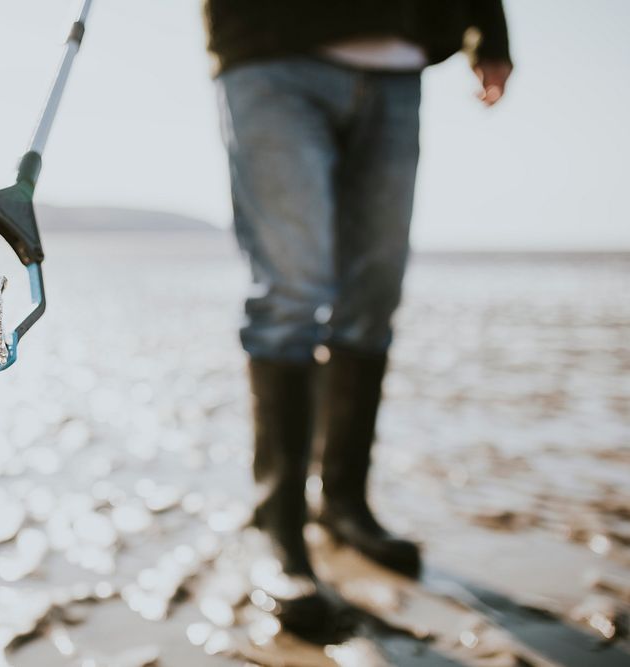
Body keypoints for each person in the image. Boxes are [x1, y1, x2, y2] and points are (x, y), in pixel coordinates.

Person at [205, 0, 512, 641]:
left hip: (398, 62)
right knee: (290, 292)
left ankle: (343, 505)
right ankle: (280, 531)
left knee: (374, 297)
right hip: (271, 50)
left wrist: (491, 34)